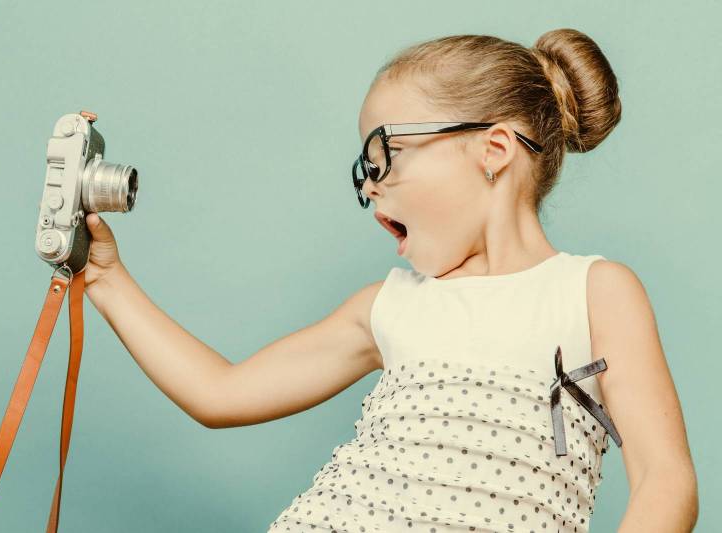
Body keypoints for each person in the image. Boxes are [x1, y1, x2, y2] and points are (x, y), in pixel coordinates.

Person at [83, 28, 698, 533]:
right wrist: (107, 279)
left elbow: (665, 483)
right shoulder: (389, 306)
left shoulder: (593, 292)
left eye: (384, 156)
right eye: (362, 170)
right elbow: (220, 394)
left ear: (494, 150)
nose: (369, 185)